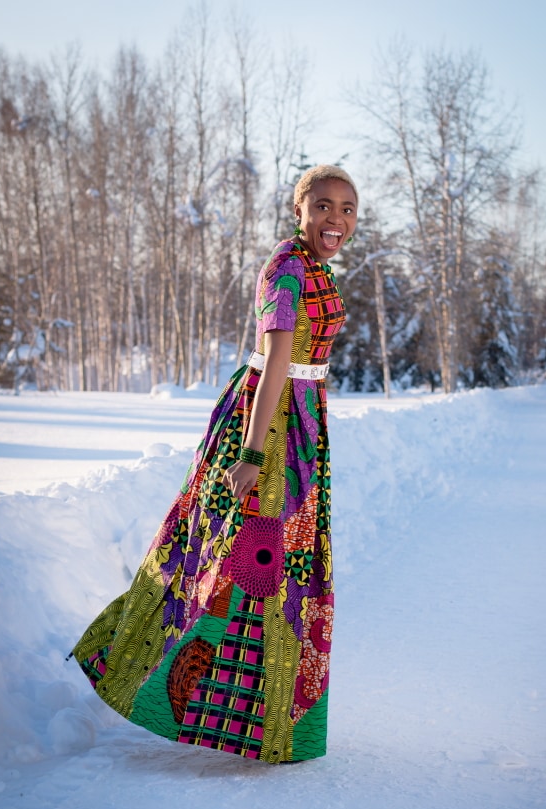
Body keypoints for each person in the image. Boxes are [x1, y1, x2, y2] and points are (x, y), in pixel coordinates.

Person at [70, 164, 358, 764]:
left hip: (299, 423)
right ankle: (138, 673)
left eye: (348, 209)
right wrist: (254, 453)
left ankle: (260, 716)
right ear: (298, 210)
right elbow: (277, 358)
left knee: (274, 569)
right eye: (324, 207)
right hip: (269, 424)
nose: (337, 219)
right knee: (229, 555)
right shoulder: (286, 269)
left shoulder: (317, 269)